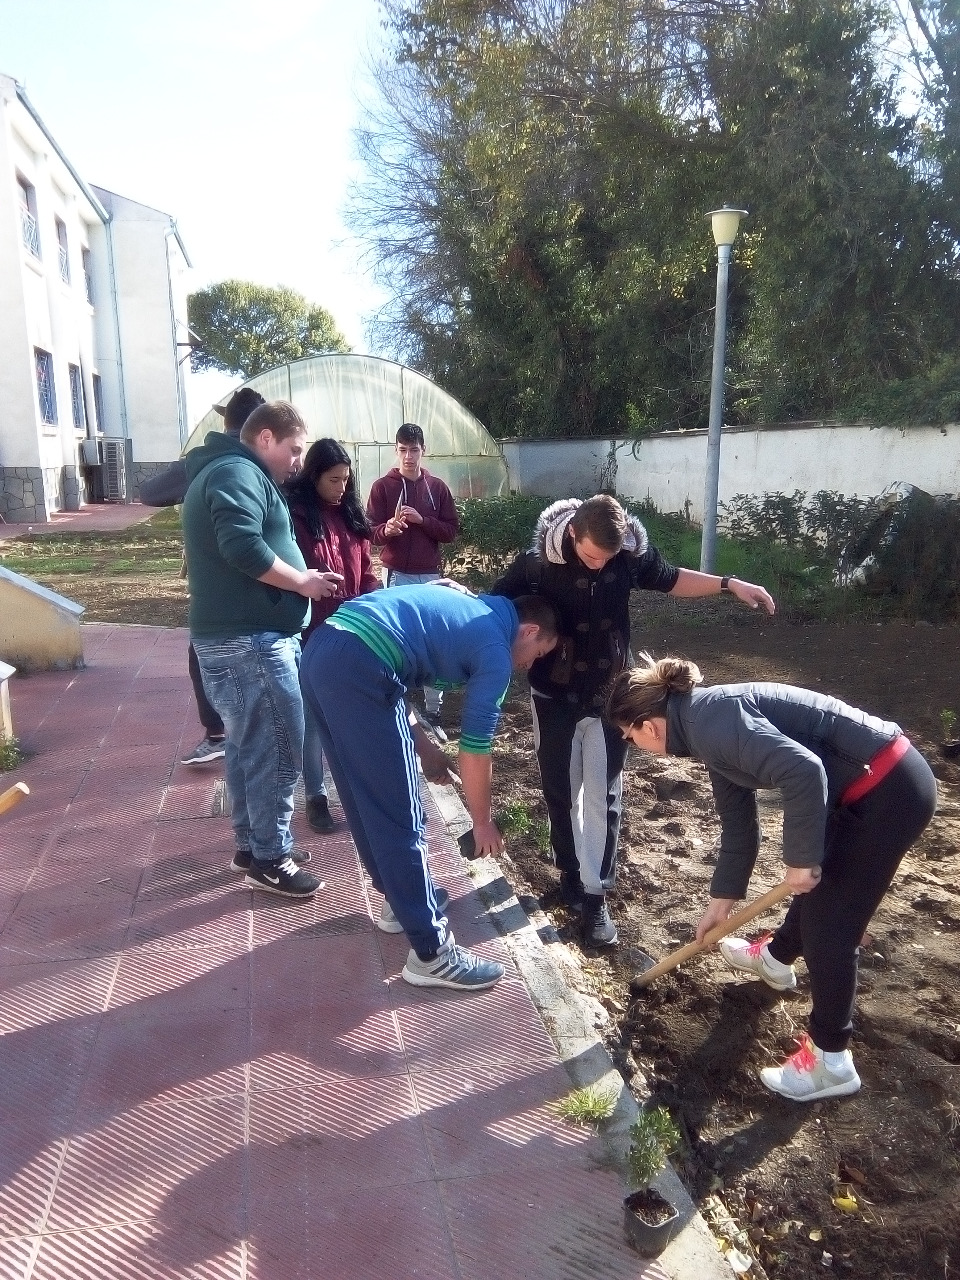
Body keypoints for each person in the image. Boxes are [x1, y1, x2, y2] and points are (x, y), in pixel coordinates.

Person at [606, 654, 938, 1102]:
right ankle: (775, 959)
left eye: (629, 737)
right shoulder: (701, 729)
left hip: (889, 789)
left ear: (647, 726)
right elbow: (738, 825)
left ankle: (831, 1062)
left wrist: (801, 857)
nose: (634, 745)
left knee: (830, 928)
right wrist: (720, 903)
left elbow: (804, 770)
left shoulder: (711, 722)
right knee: (820, 898)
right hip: (858, 790)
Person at [491, 494, 776, 948]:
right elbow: (494, 606)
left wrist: (728, 584)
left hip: (610, 696)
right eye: (591, 556)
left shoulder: (627, 556)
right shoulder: (536, 564)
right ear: (572, 533)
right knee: (560, 789)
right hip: (553, 695)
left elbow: (671, 579)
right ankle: (568, 874)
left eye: (608, 558)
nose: (600, 565)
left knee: (603, 794)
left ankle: (595, 894)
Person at [300, 584, 558, 991]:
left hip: (324, 649)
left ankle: (398, 901)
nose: (529, 666)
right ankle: (433, 954)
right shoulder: (495, 649)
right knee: (401, 816)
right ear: (528, 631)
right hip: (360, 664)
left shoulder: (469, 610)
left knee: (363, 795)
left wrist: (425, 749)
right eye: (538, 654)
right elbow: (476, 748)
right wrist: (482, 822)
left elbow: (391, 672)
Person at [182, 400, 342, 897]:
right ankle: (272, 858)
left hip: (244, 639)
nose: (299, 461)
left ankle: (254, 846)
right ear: (266, 437)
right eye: (294, 449)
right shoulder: (236, 471)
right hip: (249, 643)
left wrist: (299, 579)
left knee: (250, 746)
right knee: (276, 748)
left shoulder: (231, 470)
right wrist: (303, 582)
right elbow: (243, 547)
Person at [140, 386, 267, 767]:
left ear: (227, 422)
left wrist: (192, 469)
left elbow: (149, 492)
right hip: (269, 580)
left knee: (205, 654)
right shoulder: (268, 458)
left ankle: (218, 734)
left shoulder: (207, 459)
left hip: (217, 585)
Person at [285, 439, 380, 834]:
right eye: (333, 480)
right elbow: (293, 573)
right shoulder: (296, 517)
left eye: (346, 480)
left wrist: (374, 596)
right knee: (312, 719)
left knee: (351, 715)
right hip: (314, 632)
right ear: (314, 477)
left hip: (355, 629)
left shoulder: (352, 515)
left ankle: (356, 790)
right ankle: (316, 795)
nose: (341, 487)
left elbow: (366, 569)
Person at [366, 423, 460, 741]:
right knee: (398, 641)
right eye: (403, 449)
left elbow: (450, 531)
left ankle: (433, 712)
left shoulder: (437, 487)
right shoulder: (382, 487)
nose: (409, 456)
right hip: (397, 574)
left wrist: (423, 521)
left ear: (423, 451)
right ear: (396, 450)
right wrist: (387, 530)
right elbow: (370, 531)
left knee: (433, 640)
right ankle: (401, 710)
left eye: (414, 449)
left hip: (429, 574)